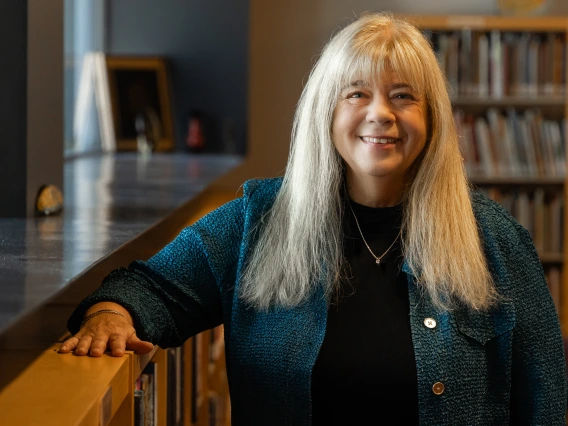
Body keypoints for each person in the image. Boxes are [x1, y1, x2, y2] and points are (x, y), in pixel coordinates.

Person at [59, 12, 567, 425]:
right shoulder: (256, 223)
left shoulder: (496, 240)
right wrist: (112, 317)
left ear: (432, 118)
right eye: (356, 93)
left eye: (404, 96)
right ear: (327, 112)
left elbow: (545, 401)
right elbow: (148, 288)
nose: (380, 114)